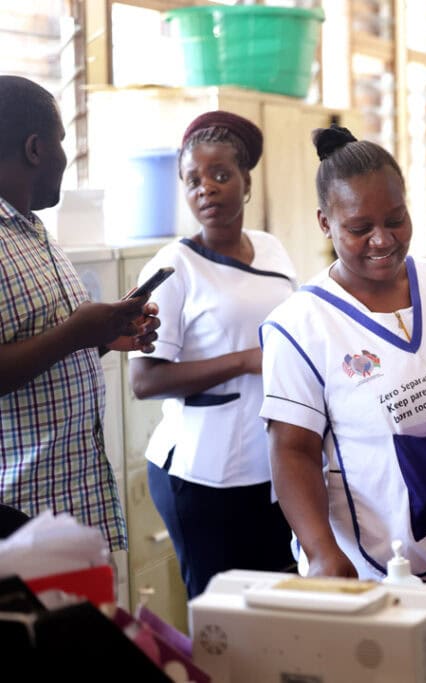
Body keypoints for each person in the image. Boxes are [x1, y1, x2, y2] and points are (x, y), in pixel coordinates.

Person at [259, 125, 426, 597]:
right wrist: (321, 552)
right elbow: (292, 450)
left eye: (396, 220)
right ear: (325, 222)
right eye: (360, 229)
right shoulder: (300, 325)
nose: (383, 240)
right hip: (383, 569)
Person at [128, 111, 297, 599]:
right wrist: (247, 361)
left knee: (277, 606)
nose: (206, 189)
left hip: (270, 466)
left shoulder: (271, 250)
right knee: (222, 618)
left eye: (220, 175)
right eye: (192, 180)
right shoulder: (172, 266)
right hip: (201, 475)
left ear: (246, 183)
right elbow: (145, 381)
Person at [0, 75, 159, 552]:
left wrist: (104, 337)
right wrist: (74, 333)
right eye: (62, 143)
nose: (66, 157)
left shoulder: (31, 230)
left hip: (73, 505)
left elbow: (34, 342)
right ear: (35, 148)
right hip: (20, 522)